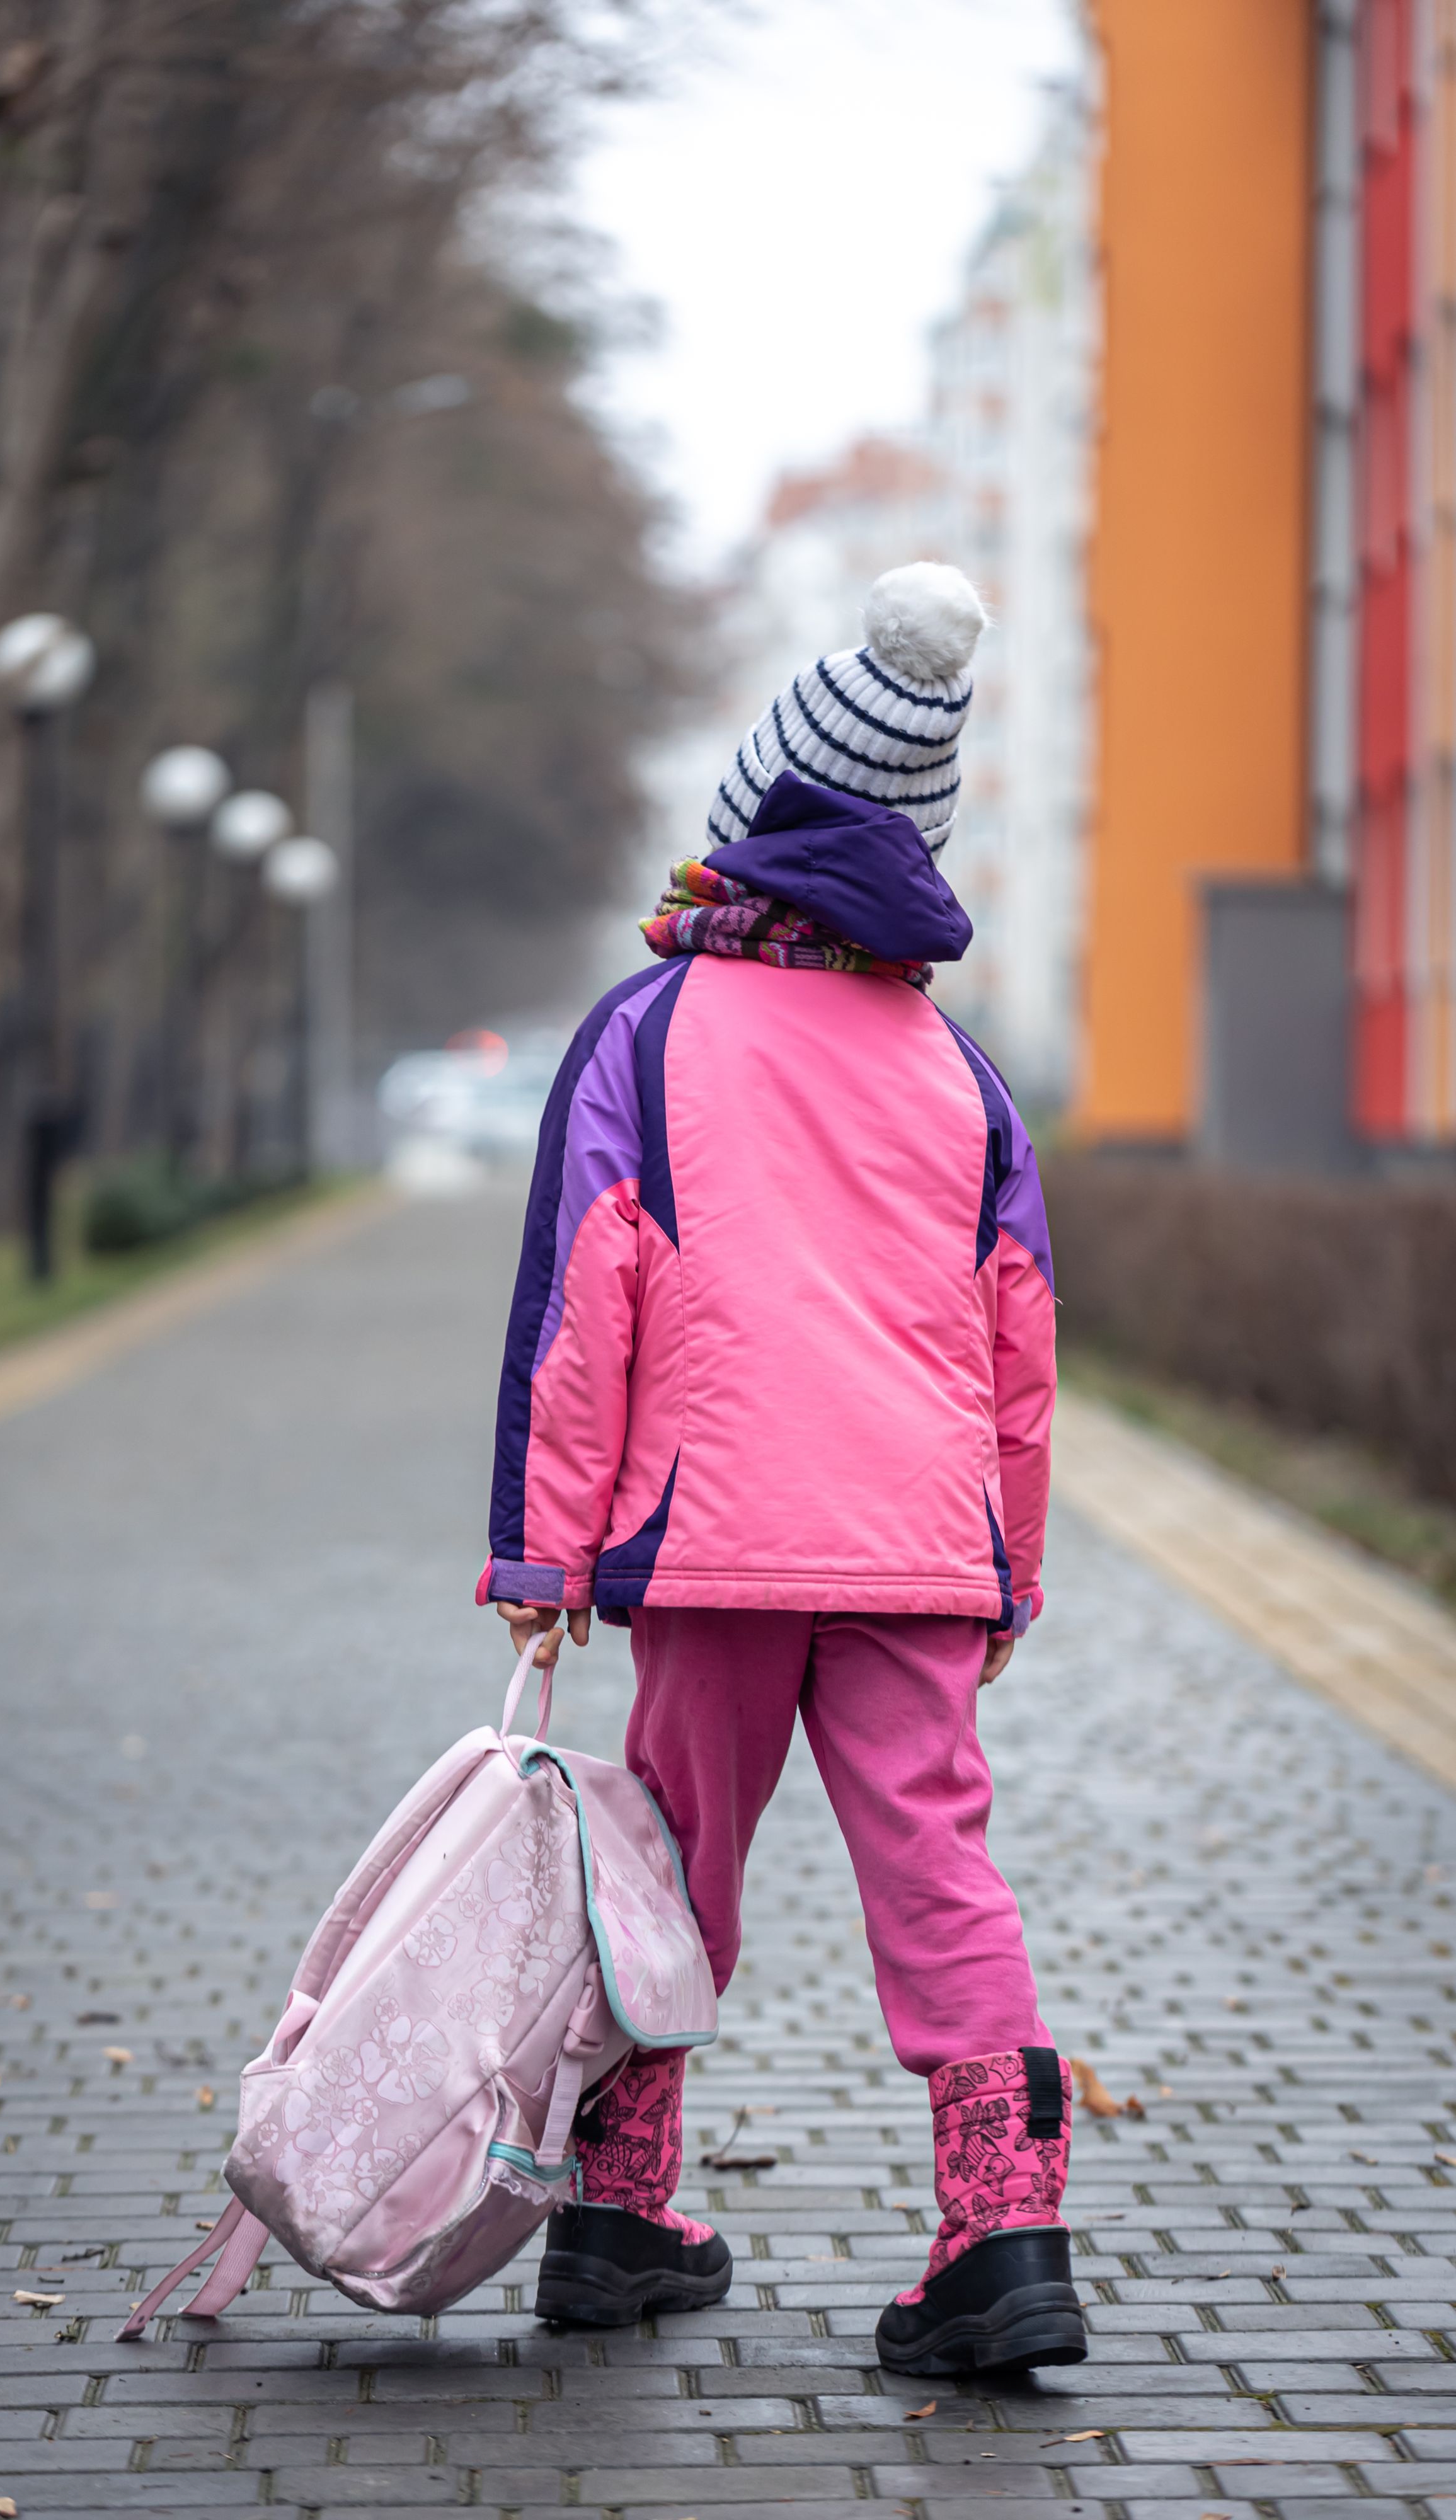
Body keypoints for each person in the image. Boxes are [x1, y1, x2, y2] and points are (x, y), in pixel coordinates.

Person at [476, 561, 1084, 2376]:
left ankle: (616, 2217)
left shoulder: (647, 1033)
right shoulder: (959, 1072)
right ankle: (1003, 2242)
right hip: (913, 1544)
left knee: (665, 1864)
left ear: (749, 825)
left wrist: (546, 1553)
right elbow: (1018, 1340)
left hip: (709, 1536)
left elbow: (581, 1302)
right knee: (939, 1872)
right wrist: (1008, 1570)